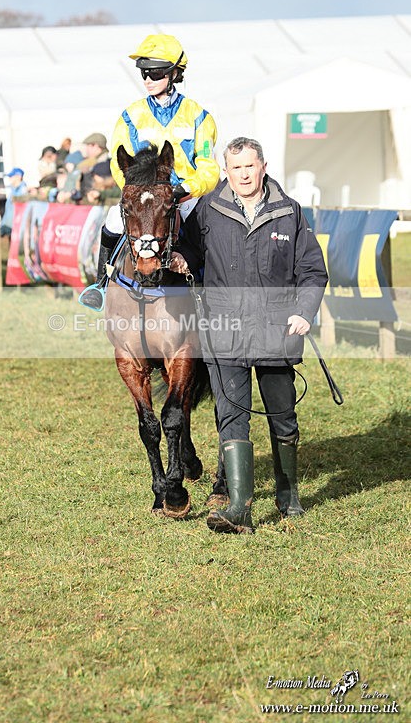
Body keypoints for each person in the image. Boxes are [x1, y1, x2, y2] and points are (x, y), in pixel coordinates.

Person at [171, 136, 328, 534]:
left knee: (283, 416)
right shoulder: (209, 208)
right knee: (231, 417)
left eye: (249, 166)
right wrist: (179, 260)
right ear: (226, 171)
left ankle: (288, 495)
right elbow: (191, 250)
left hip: (277, 330)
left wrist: (303, 312)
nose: (243, 174)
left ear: (263, 166)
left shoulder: (288, 211)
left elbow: (312, 270)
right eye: (235, 168)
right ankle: (239, 506)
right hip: (224, 331)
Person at [79, 33, 220, 310]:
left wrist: (185, 189)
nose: (147, 79)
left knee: (212, 231)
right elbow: (118, 164)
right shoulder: (130, 116)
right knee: (112, 219)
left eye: (155, 73)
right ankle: (100, 286)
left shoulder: (199, 116)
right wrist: (136, 189)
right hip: (144, 196)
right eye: (143, 72)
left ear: (174, 73)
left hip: (185, 197)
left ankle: (213, 296)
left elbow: (208, 166)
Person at [0, 168, 28, 237]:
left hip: (15, 227)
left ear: (18, 177)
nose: (9, 178)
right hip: (6, 225)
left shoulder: (23, 190)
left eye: (11, 176)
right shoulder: (12, 189)